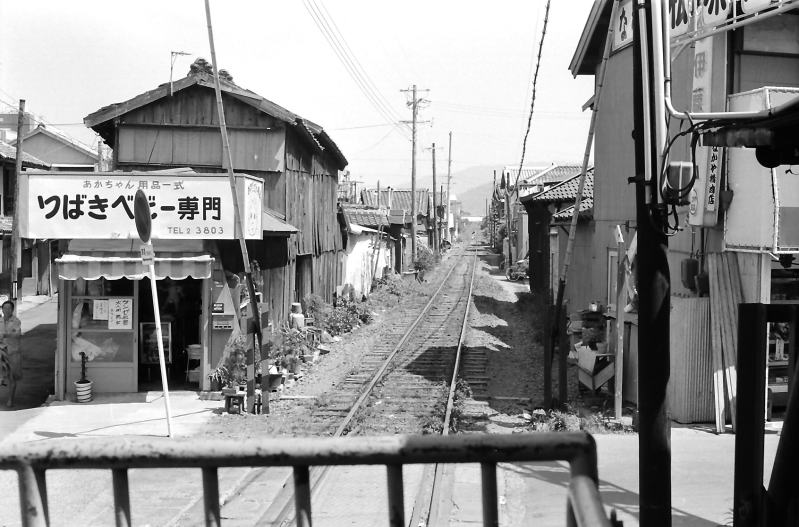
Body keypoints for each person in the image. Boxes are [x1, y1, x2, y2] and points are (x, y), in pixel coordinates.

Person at [0, 300, 22, 407]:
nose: (6, 310)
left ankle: (10, 400)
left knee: (12, 377)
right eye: (4, 308)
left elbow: (17, 334)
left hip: (12, 352)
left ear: (12, 310)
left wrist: (5, 335)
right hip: (1, 352)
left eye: (9, 308)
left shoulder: (16, 321)